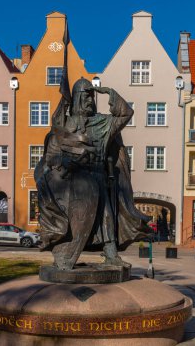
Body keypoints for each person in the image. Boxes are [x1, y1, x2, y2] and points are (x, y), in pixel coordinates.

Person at [35, 77, 151, 270]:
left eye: (91, 96)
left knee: (107, 217)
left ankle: (111, 254)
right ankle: (66, 254)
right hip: (74, 183)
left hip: (98, 177)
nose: (89, 100)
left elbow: (125, 114)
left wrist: (108, 92)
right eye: (85, 96)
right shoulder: (65, 124)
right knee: (77, 223)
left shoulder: (103, 124)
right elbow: (51, 156)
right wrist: (63, 162)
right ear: (76, 99)